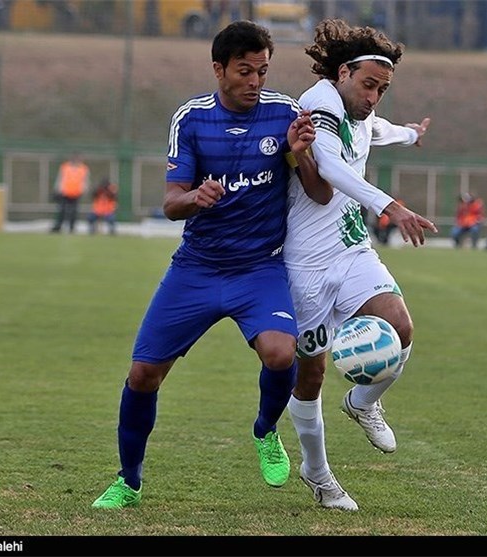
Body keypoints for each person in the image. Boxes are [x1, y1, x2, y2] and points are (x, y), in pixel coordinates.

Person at [91, 20, 326, 509]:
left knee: (283, 354)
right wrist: (196, 196)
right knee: (143, 376)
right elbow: (170, 203)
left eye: (262, 71)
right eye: (245, 71)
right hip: (196, 268)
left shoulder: (285, 113)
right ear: (219, 69)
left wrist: (302, 155)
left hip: (260, 269)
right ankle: (128, 481)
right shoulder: (191, 119)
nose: (255, 81)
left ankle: (265, 432)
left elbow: (320, 193)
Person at [283, 18, 438, 511]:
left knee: (400, 327)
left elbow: (380, 129)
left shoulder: (362, 112)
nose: (374, 97)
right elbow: (326, 167)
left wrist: (412, 134)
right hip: (305, 265)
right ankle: (318, 473)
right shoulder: (320, 103)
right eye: (369, 85)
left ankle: (362, 404)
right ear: (344, 72)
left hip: (352, 251)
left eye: (383, 89)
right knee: (310, 375)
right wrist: (390, 206)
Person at [50, 153, 90, 233]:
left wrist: (84, 190)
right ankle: (58, 226)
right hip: (65, 192)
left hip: (76, 193)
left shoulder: (83, 168)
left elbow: (85, 181)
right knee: (62, 210)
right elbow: (60, 178)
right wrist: (57, 189)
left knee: (74, 211)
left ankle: (72, 228)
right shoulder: (65, 167)